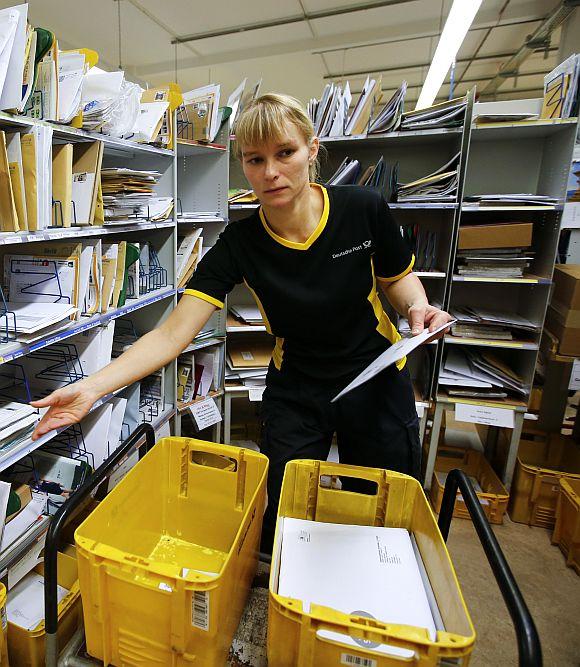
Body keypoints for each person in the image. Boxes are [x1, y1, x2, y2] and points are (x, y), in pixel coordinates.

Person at [31, 93, 452, 552]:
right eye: (255, 159)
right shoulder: (240, 242)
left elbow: (398, 280)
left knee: (381, 507)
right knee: (288, 513)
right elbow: (173, 333)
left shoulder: (361, 208)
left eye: (285, 153)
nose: (270, 172)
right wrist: (93, 388)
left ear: (312, 149)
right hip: (298, 386)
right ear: (243, 165)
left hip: (374, 377)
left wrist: (417, 306)